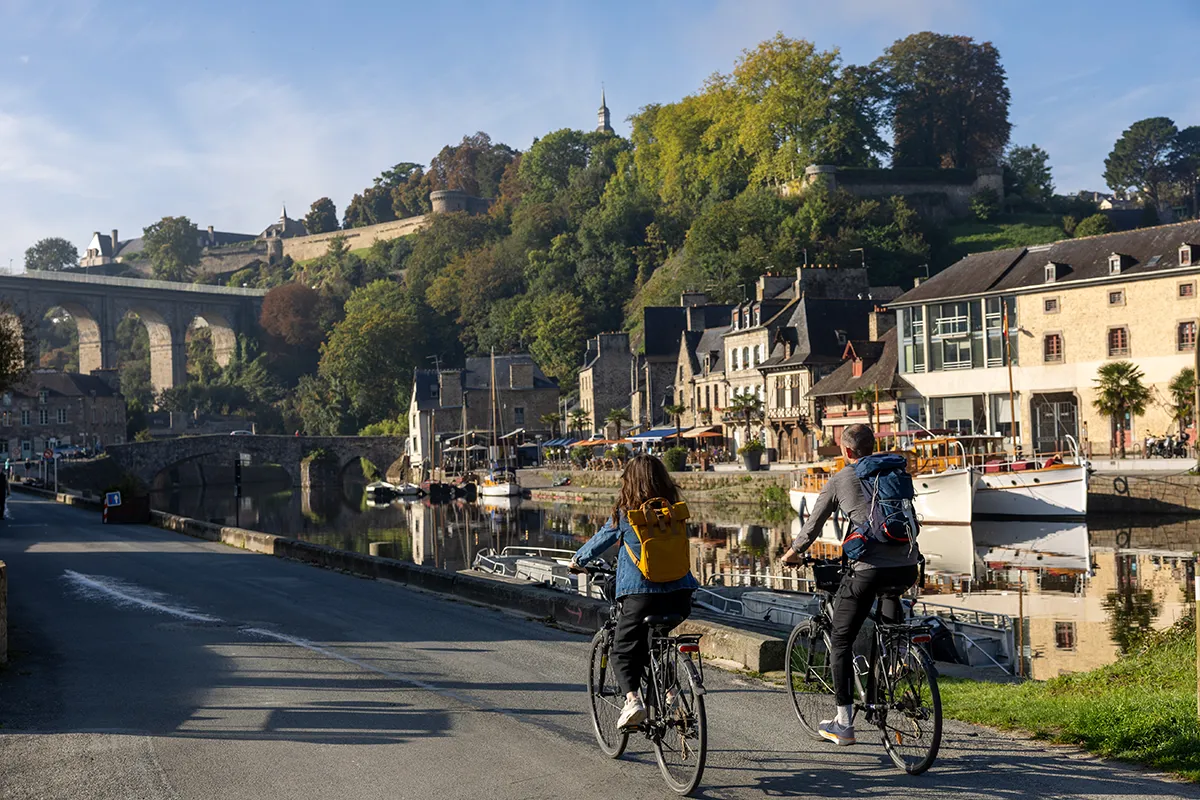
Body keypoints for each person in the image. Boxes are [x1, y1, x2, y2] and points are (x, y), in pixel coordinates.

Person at [781, 423, 921, 747]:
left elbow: (812, 526)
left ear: (846, 451)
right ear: (873, 446)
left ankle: (844, 723)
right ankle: (897, 655)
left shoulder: (842, 478)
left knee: (841, 639)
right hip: (907, 566)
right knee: (889, 606)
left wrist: (791, 554)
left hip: (868, 570)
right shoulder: (892, 473)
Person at [570, 455, 699, 730]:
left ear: (629, 482)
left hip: (642, 596)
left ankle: (632, 701)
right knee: (656, 643)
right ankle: (672, 694)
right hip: (681, 594)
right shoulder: (676, 510)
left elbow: (601, 540)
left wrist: (577, 561)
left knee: (622, 650)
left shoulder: (627, 514)